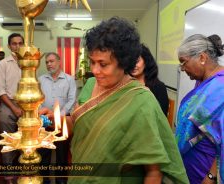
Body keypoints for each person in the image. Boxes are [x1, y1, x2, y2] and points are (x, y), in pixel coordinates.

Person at [40, 17, 188, 184]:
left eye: (103, 64)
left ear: (123, 62)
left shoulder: (141, 100)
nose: (95, 70)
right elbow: (78, 124)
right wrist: (55, 119)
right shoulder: (90, 85)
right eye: (92, 62)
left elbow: (153, 172)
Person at [175, 34, 224, 184]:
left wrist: (211, 176)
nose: (182, 69)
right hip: (190, 167)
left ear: (202, 58)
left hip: (205, 173)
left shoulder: (220, 87)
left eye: (184, 62)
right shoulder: (203, 80)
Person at [38, 52, 76, 184]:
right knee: (44, 154)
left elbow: (72, 100)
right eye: (47, 62)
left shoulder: (69, 79)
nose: (49, 64)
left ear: (59, 62)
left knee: (61, 155)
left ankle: (61, 181)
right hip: (45, 121)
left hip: (62, 122)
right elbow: (38, 101)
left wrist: (58, 117)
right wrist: (46, 117)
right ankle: (45, 181)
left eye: (51, 61)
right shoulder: (41, 79)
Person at [0, 33, 23, 181]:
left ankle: (23, 175)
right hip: (8, 105)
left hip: (26, 107)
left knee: (25, 143)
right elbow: (0, 91)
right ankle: (9, 177)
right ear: (9, 46)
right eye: (14, 43)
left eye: (20, 43)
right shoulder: (3, 63)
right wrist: (14, 108)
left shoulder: (28, 62)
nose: (17, 46)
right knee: (8, 143)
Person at [131, 44, 169, 116]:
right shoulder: (124, 85)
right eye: (130, 62)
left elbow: (162, 116)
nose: (133, 65)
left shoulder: (159, 87)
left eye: (137, 61)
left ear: (146, 61)